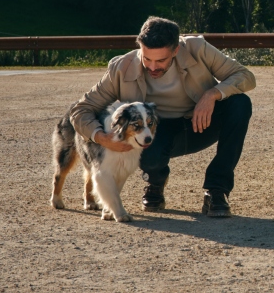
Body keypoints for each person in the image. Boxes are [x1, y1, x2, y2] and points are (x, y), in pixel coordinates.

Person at [71, 17, 256, 217]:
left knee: (240, 104)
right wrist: (101, 137)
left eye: (161, 61)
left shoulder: (197, 47)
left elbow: (245, 76)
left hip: (201, 124)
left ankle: (217, 191)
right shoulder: (121, 67)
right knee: (147, 152)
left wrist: (212, 94)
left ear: (176, 50)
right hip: (156, 134)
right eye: (146, 58)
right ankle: (155, 182)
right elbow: (81, 110)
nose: (152, 67)